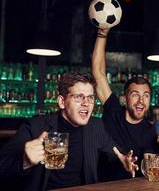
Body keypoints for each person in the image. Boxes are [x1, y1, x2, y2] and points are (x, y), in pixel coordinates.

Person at [0, 71, 137, 191]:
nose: (86, 103)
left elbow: (116, 155)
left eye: (90, 97)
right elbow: (3, 165)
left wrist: (124, 162)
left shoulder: (96, 125)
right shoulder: (36, 127)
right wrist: (25, 161)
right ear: (61, 101)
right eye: (79, 97)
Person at [91, 28, 159, 180]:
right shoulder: (113, 111)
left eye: (146, 96)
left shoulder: (150, 131)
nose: (141, 101)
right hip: (100, 185)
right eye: (135, 95)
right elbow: (98, 73)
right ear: (125, 98)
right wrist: (102, 33)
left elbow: (152, 174)